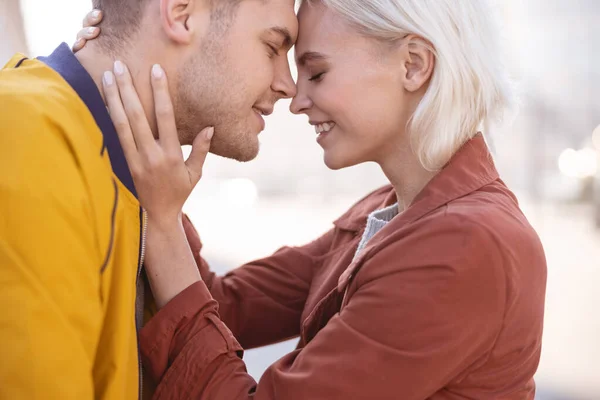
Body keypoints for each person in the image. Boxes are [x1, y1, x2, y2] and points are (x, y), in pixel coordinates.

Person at [78, 0, 548, 399]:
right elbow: (221, 305)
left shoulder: (466, 247)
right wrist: (137, 77)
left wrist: (163, 221)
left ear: (413, 65)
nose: (295, 98)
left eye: (317, 72)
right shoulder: (388, 210)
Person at [0, 0, 297, 398]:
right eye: (273, 47)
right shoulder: (27, 139)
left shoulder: (123, 171)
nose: (289, 84)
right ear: (180, 13)